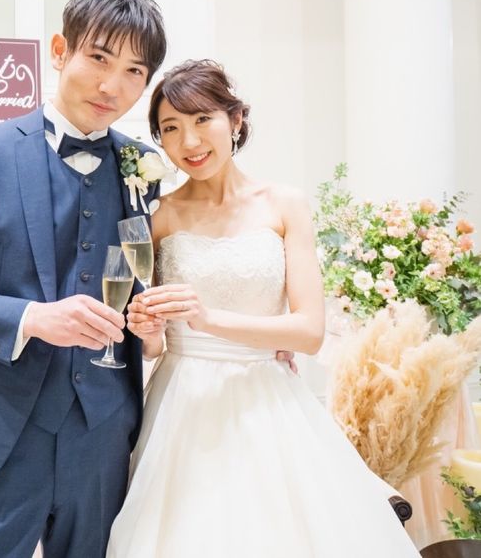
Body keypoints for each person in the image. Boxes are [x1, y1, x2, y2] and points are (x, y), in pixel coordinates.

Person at [106, 60, 420, 557]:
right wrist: (146, 328)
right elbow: (153, 344)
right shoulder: (159, 216)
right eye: (171, 128)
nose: (190, 141)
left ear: (235, 120)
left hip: (267, 399)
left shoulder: (284, 204)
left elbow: (309, 332)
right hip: (182, 403)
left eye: (202, 119)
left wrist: (209, 320)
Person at [0, 0, 167, 558]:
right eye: (99, 58)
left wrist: (156, 329)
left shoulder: (143, 167)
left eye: (134, 71)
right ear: (59, 50)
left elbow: (145, 282)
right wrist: (32, 318)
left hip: (102, 436)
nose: (112, 86)